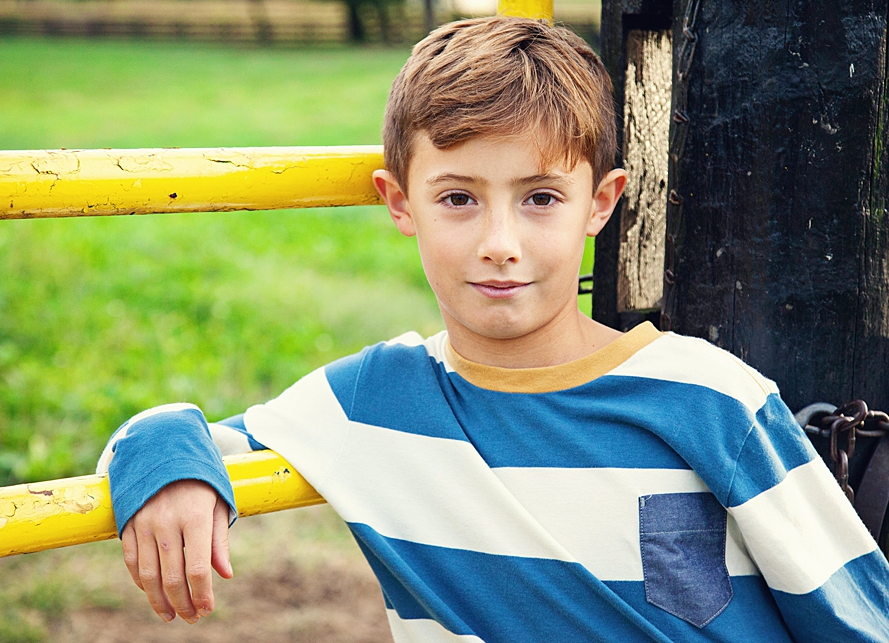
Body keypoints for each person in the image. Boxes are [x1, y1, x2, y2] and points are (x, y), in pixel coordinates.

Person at [96, 16, 889, 643]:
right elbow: (177, 440)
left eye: (541, 197)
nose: (499, 241)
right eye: (457, 198)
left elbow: (858, 620)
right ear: (398, 201)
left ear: (602, 203)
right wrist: (163, 459)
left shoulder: (712, 397)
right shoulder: (370, 403)